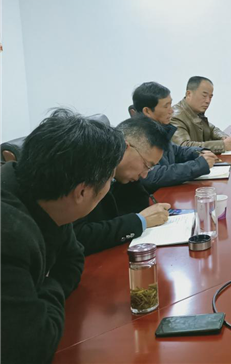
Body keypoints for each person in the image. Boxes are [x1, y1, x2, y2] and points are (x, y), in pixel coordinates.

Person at [1, 109, 125, 364]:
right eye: (109, 180)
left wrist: (43, 286)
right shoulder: (9, 237)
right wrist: (47, 285)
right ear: (82, 192)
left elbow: (73, 259)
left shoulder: (47, 197)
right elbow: (32, 348)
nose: (110, 186)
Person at [73, 116, 172, 255]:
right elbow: (78, 236)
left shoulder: (123, 177)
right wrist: (139, 221)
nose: (144, 175)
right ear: (125, 147)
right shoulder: (85, 171)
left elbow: (138, 207)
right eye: (146, 165)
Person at [133, 81, 218, 192]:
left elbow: (176, 151)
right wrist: (198, 165)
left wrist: (199, 152)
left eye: (170, 104)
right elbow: (153, 176)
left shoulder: (160, 130)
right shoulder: (138, 137)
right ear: (147, 111)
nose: (171, 110)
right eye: (166, 106)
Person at [171, 76, 231, 154]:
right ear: (189, 94)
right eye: (204, 96)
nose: (208, 101)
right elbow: (184, 147)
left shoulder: (196, 112)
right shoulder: (175, 116)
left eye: (210, 97)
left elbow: (212, 129)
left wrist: (224, 137)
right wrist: (222, 145)